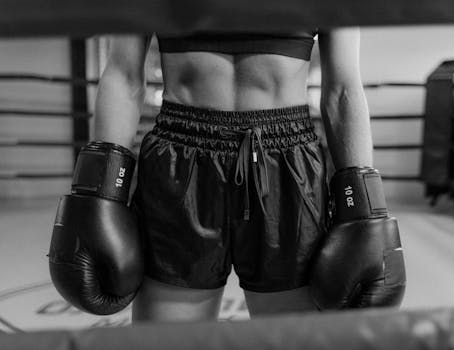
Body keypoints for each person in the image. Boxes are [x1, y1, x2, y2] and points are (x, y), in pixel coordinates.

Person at [49, 28, 406, 321]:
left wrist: (364, 209)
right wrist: (98, 192)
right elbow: (124, 74)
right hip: (181, 156)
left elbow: (343, 89)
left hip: (288, 167)